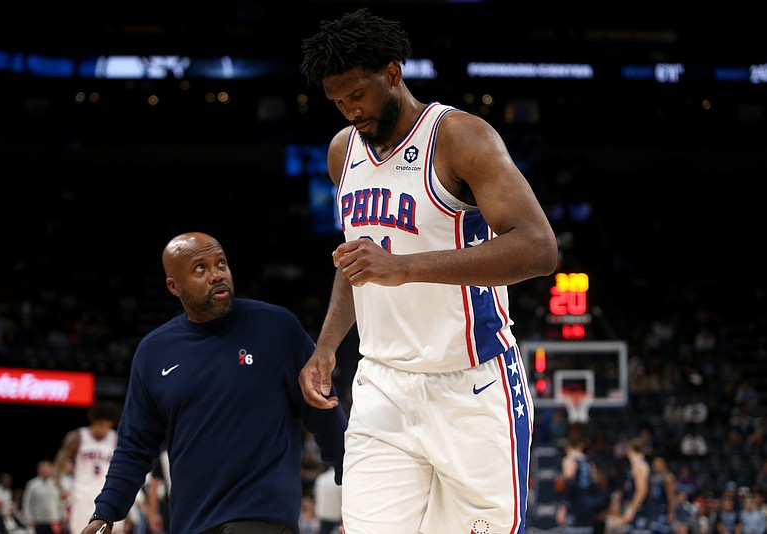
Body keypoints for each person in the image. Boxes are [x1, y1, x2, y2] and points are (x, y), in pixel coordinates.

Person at [298, 8, 558, 534]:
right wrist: (326, 345)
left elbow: (538, 249)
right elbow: (357, 263)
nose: (350, 111)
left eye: (358, 95)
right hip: (382, 386)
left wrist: (403, 267)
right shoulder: (341, 153)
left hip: (472, 387)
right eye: (338, 102)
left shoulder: (459, 136)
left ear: (392, 74)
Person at [79, 232, 347, 534]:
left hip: (261, 517)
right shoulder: (154, 352)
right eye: (200, 268)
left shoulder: (277, 327)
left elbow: (323, 409)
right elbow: (135, 446)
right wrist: (106, 512)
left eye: (221, 263)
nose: (217, 274)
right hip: (190, 523)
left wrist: (353, 479)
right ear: (174, 286)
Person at [54, 400, 127, 534]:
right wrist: (61, 487)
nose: (103, 429)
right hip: (81, 496)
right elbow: (58, 465)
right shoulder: (77, 436)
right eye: (100, 425)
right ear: (94, 421)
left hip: (107, 495)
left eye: (107, 426)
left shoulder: (115, 438)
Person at [556, 433, 598, 534]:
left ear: (568, 446)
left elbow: (569, 483)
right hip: (589, 501)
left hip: (575, 503)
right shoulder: (588, 460)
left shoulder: (570, 459)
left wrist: (563, 506)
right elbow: (595, 479)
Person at [621, 437, 651, 534]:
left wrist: (632, 510)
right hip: (634, 508)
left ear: (630, 449)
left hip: (641, 511)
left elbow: (642, 490)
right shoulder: (634, 466)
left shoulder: (641, 466)